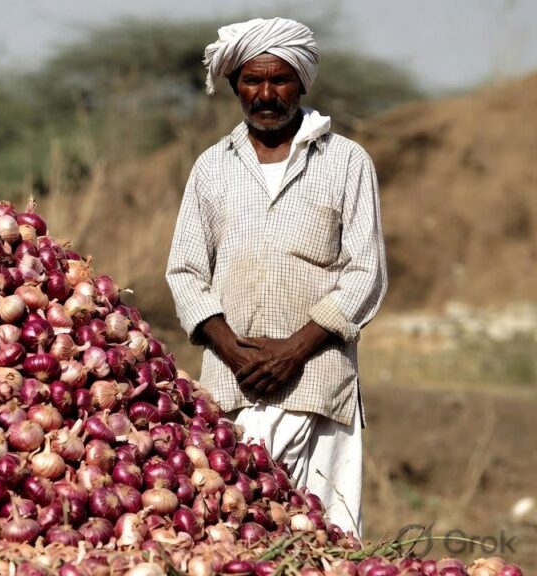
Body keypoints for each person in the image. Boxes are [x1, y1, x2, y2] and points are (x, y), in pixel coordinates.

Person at [165, 17, 387, 537]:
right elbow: (185, 271)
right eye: (252, 80)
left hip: (317, 385)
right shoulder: (211, 167)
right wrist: (237, 352)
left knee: (325, 541)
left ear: (303, 81)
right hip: (230, 387)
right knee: (235, 535)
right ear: (234, 84)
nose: (265, 94)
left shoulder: (346, 161)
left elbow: (365, 273)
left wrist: (292, 350)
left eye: (280, 79)